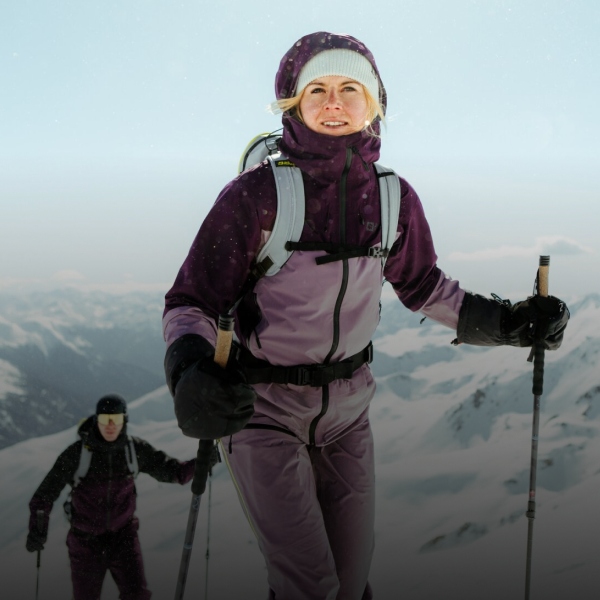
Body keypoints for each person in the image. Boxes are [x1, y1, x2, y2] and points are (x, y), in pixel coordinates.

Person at [162, 32, 569, 600]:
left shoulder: (394, 199)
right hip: (262, 413)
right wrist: (190, 370)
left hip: (349, 416)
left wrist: (512, 323)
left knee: (350, 585)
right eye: (318, 89)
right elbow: (192, 301)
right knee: (312, 586)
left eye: (350, 88)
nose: (334, 102)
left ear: (374, 103)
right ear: (293, 104)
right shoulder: (255, 197)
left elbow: (425, 287)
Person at [26, 393, 195, 600]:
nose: (110, 425)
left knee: (137, 595)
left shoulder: (134, 450)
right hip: (85, 543)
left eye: (116, 419)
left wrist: (202, 462)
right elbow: (44, 495)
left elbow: (174, 472)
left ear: (124, 421)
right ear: (97, 420)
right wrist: (37, 530)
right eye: (105, 419)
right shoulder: (77, 454)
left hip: (123, 539)